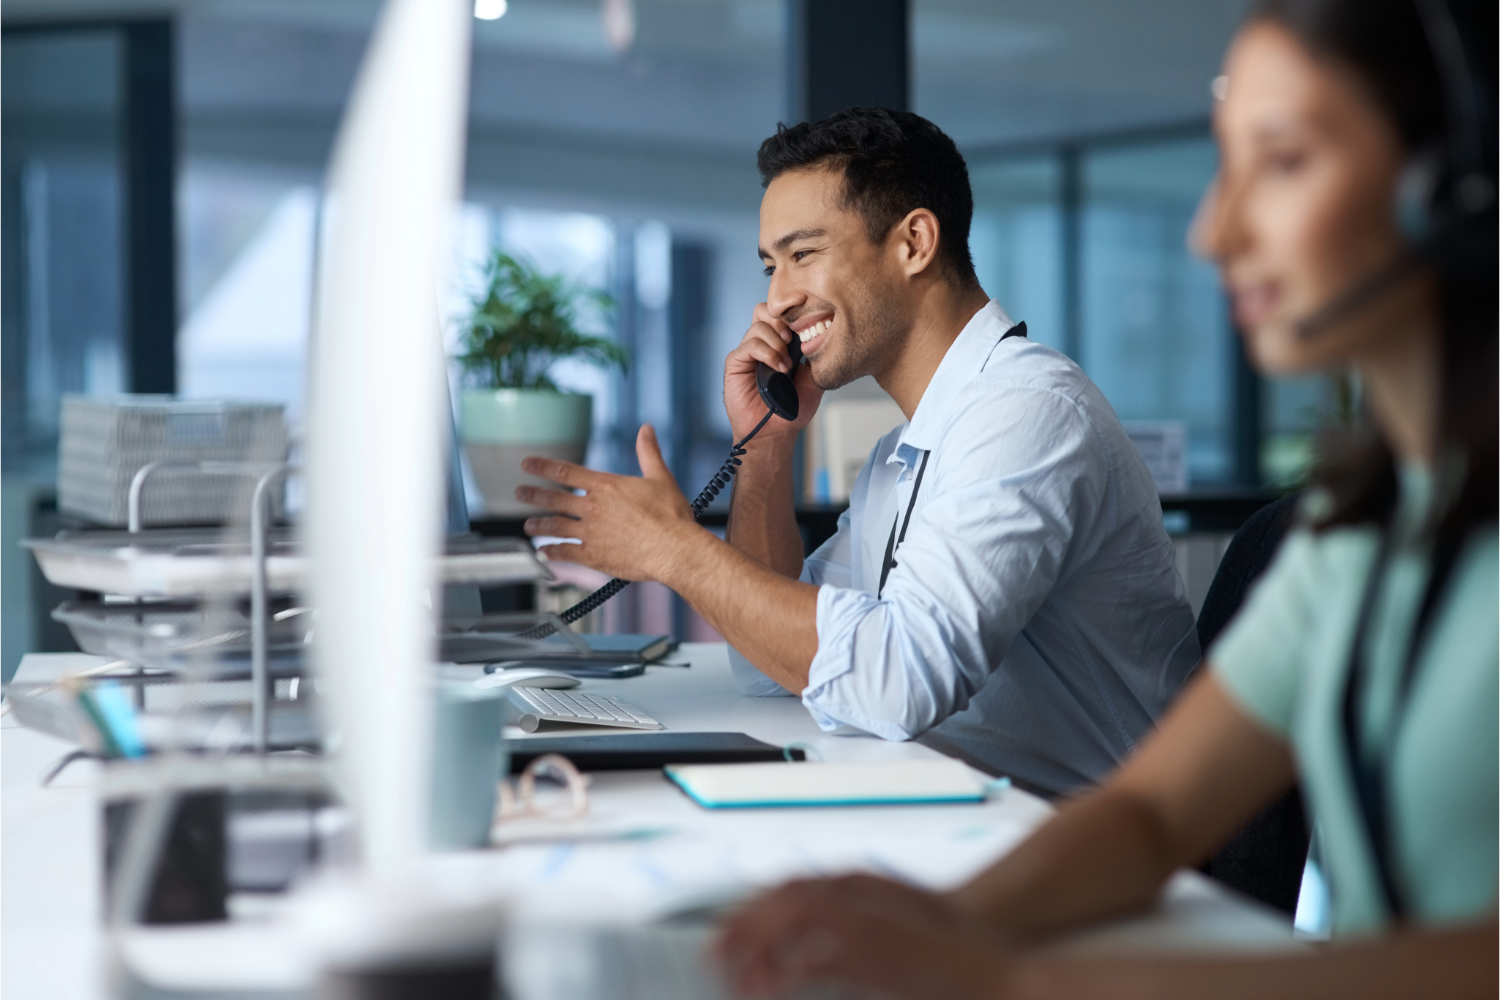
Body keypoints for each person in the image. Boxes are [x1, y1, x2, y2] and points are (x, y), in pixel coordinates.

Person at [713, 0, 1497, 996]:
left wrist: (1009, 977)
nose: (1213, 230)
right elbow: (1152, 810)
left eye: (1285, 161)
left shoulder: (1030, 410)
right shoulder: (1363, 534)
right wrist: (940, 919)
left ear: (1458, 193)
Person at [517, 109, 1201, 796]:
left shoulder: (1027, 414)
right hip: (981, 814)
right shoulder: (903, 454)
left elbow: (899, 680)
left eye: (803, 254)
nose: (777, 299)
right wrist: (766, 445)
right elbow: (771, 664)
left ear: (913, 243)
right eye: (770, 265)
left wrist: (677, 551)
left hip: (1091, 849)